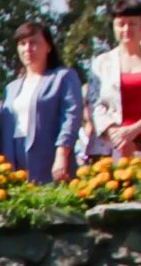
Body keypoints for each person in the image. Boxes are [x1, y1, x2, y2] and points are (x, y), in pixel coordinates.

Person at [84, 1, 141, 164]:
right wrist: (115, 132)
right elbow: (94, 103)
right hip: (110, 147)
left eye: (132, 24)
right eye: (121, 24)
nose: (126, 29)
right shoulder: (101, 63)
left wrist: (134, 130)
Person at [5, 23, 87, 181]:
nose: (27, 48)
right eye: (22, 44)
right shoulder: (11, 88)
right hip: (16, 155)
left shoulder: (63, 77)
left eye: (34, 42)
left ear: (48, 47)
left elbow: (71, 116)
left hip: (49, 156)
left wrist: (62, 154)